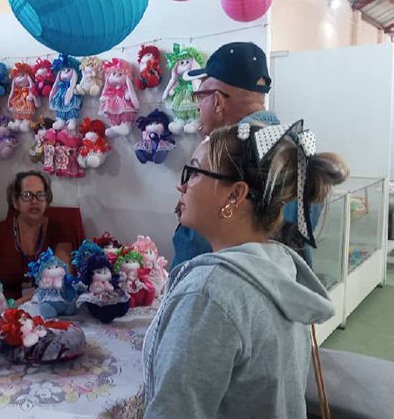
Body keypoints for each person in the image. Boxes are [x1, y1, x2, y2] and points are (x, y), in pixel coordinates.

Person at [143, 121, 348, 418]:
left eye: (196, 171)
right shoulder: (278, 265)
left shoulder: (208, 294)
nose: (182, 185)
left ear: (235, 195)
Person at [173, 42, 321, 268]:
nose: (198, 108)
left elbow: (195, 250)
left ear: (218, 101)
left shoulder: (225, 158)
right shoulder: (295, 151)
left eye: (199, 97)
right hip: (282, 288)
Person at [0, 171, 74, 304]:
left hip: (45, 309)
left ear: (47, 200)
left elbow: (63, 277)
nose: (34, 201)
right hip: (0, 312)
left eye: (40, 195)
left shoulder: (60, 231)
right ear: (15, 202)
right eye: (27, 195)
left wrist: (23, 302)